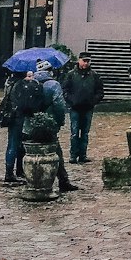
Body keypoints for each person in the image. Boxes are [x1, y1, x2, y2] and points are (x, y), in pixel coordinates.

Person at [34, 60, 74, 193]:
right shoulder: (53, 85)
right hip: (48, 123)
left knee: (32, 152)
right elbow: (59, 105)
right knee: (56, 152)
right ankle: (63, 181)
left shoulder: (30, 82)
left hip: (30, 124)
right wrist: (60, 121)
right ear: (50, 71)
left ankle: (33, 180)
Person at [62, 53, 106, 164]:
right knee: (75, 132)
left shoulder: (94, 75)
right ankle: (73, 155)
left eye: (88, 61)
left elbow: (100, 91)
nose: (86, 63)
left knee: (85, 133)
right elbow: (65, 90)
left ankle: (82, 154)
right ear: (79, 60)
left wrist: (93, 101)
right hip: (75, 108)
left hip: (88, 108)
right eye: (84, 61)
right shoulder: (71, 75)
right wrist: (71, 101)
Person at [0, 71, 35, 184]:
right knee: (15, 144)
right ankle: (10, 173)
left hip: (11, 116)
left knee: (14, 144)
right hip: (18, 117)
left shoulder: (9, 82)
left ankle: (14, 171)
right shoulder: (20, 85)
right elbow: (24, 103)